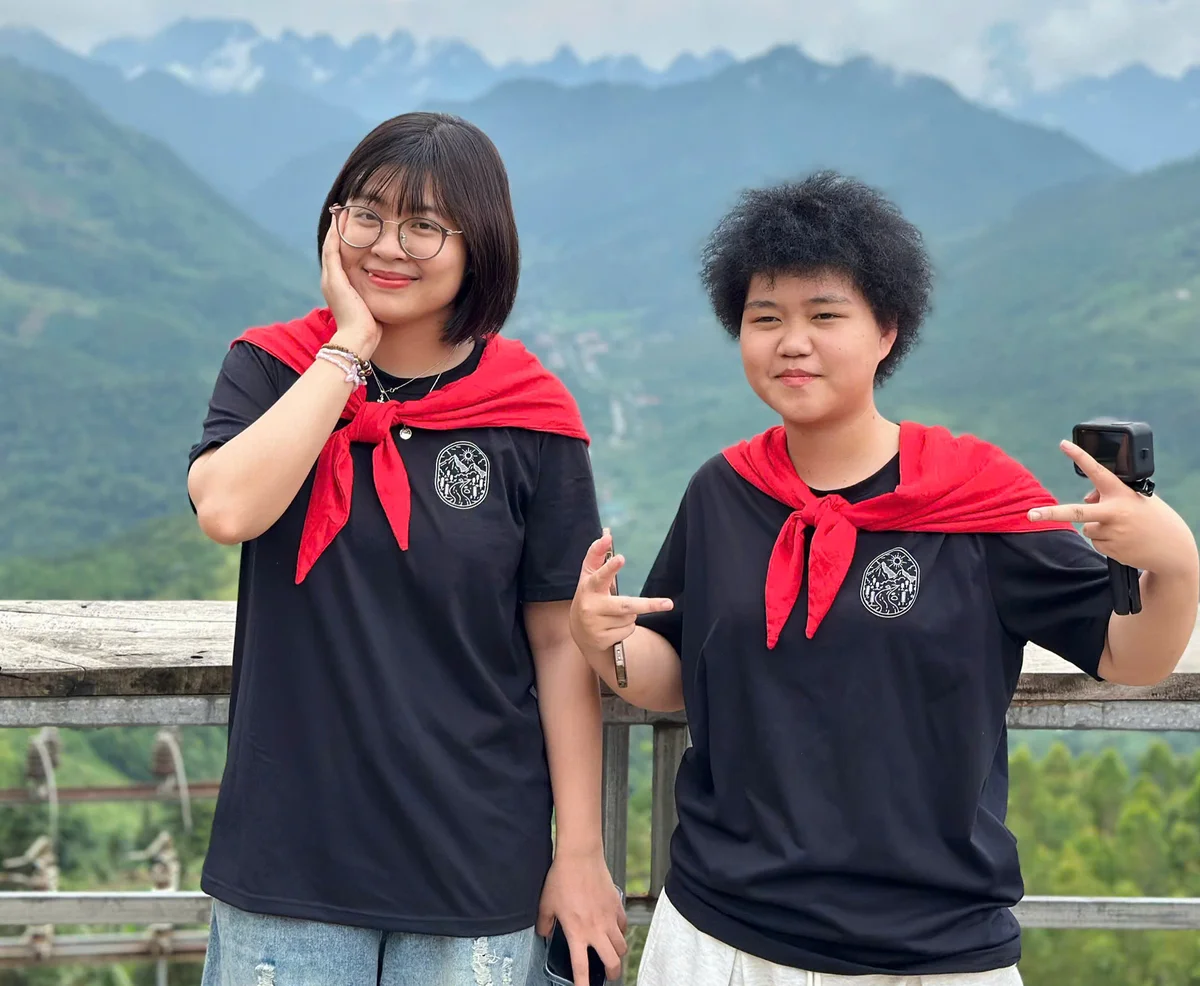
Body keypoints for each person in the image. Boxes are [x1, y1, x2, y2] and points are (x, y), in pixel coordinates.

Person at [569, 171, 1199, 985]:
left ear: (886, 331)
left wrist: (1174, 559)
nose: (792, 342)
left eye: (825, 315)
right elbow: (672, 670)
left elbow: (1131, 660)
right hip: (723, 934)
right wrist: (605, 644)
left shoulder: (976, 498)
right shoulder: (724, 492)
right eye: (766, 319)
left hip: (931, 949)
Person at [187, 112, 626, 986]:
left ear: (479, 244)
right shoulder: (272, 370)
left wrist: (578, 852)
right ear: (332, 222)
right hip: (289, 856)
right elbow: (229, 509)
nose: (390, 245)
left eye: (425, 224)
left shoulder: (529, 414)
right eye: (367, 214)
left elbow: (556, 641)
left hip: (474, 858)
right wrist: (348, 349)